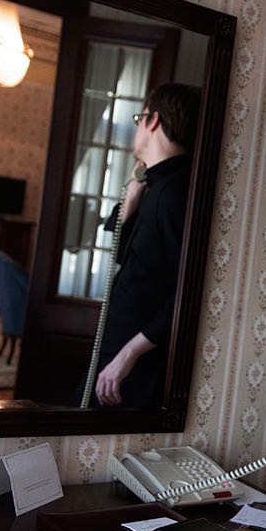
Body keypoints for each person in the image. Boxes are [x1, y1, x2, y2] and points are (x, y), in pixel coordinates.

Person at [91, 83, 200, 409]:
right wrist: (132, 195)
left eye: (140, 119)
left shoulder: (174, 193)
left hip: (135, 362)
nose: (137, 127)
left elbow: (187, 292)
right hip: (117, 347)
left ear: (153, 121)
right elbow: (122, 254)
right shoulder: (153, 186)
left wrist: (130, 353)